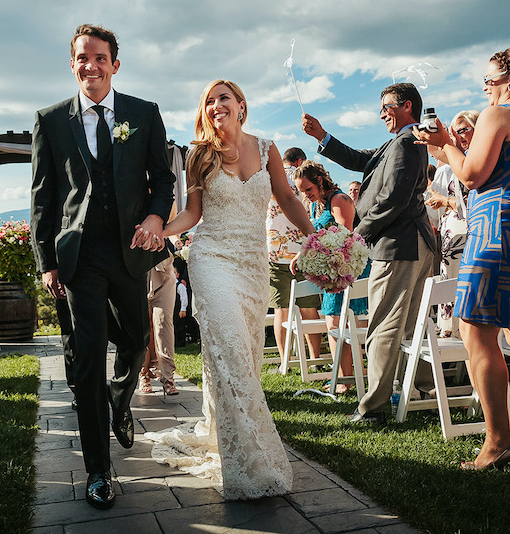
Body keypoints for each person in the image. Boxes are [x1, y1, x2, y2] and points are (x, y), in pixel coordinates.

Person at [144, 79, 314, 499]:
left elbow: (288, 199)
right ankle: (254, 461)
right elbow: (193, 213)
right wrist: (163, 230)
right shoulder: (199, 155)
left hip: (253, 267)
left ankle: (227, 435)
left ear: (240, 104)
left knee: (245, 358)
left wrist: (316, 238)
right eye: (209, 100)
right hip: (212, 259)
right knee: (232, 351)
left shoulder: (267, 148)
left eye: (223, 97)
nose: (216, 105)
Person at [30, 24, 174, 510]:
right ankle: (98, 468)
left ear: (115, 63)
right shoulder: (50, 120)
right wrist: (47, 261)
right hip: (80, 255)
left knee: (135, 339)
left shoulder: (143, 113)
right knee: (88, 357)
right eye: (82, 58)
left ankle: (120, 397)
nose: (90, 65)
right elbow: (43, 196)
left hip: (130, 249)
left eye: (99, 57)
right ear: (72, 64)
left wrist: (156, 216)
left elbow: (162, 180)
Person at [416, 47, 510, 469]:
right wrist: (443, 149)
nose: (485, 88)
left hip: (494, 233)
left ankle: (498, 441)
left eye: (489, 79)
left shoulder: (498, 115)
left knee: (476, 334)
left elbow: (472, 175)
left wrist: (446, 144)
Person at [302, 82, 436, 425]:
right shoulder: (402, 141)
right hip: (412, 242)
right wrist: (322, 136)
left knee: (384, 325)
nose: (381, 114)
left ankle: (374, 406)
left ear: (407, 106)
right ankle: (418, 392)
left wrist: (356, 238)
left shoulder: (406, 142)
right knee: (410, 325)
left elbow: (392, 199)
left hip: (398, 244)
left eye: (386, 107)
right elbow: (361, 159)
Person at [292, 160, 370, 394]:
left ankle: (347, 379)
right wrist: (303, 254)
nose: (306, 195)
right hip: (331, 270)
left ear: (320, 180)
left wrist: (318, 254)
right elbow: (317, 235)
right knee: (334, 324)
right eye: (302, 191)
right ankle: (346, 378)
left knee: (340, 324)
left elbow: (344, 237)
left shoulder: (340, 200)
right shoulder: (318, 204)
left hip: (345, 269)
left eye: (308, 189)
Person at [424, 110, 479, 338]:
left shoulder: (482, 161)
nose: (459, 136)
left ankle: (469, 338)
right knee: (450, 287)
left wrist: (445, 201)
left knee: (467, 290)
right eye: (455, 132)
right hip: (451, 237)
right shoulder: (454, 165)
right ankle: (452, 336)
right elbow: (433, 213)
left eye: (464, 129)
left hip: (472, 233)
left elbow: (471, 206)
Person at [267, 146, 321, 363]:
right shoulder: (303, 178)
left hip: (276, 251)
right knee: (309, 307)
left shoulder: (270, 178)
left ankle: (285, 361)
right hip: (303, 249)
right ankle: (315, 359)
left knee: (281, 309)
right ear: (300, 162)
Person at [140, 255, 180, 396]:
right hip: (137, 269)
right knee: (143, 325)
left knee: (164, 322)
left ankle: (168, 377)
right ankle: (144, 373)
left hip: (163, 266)